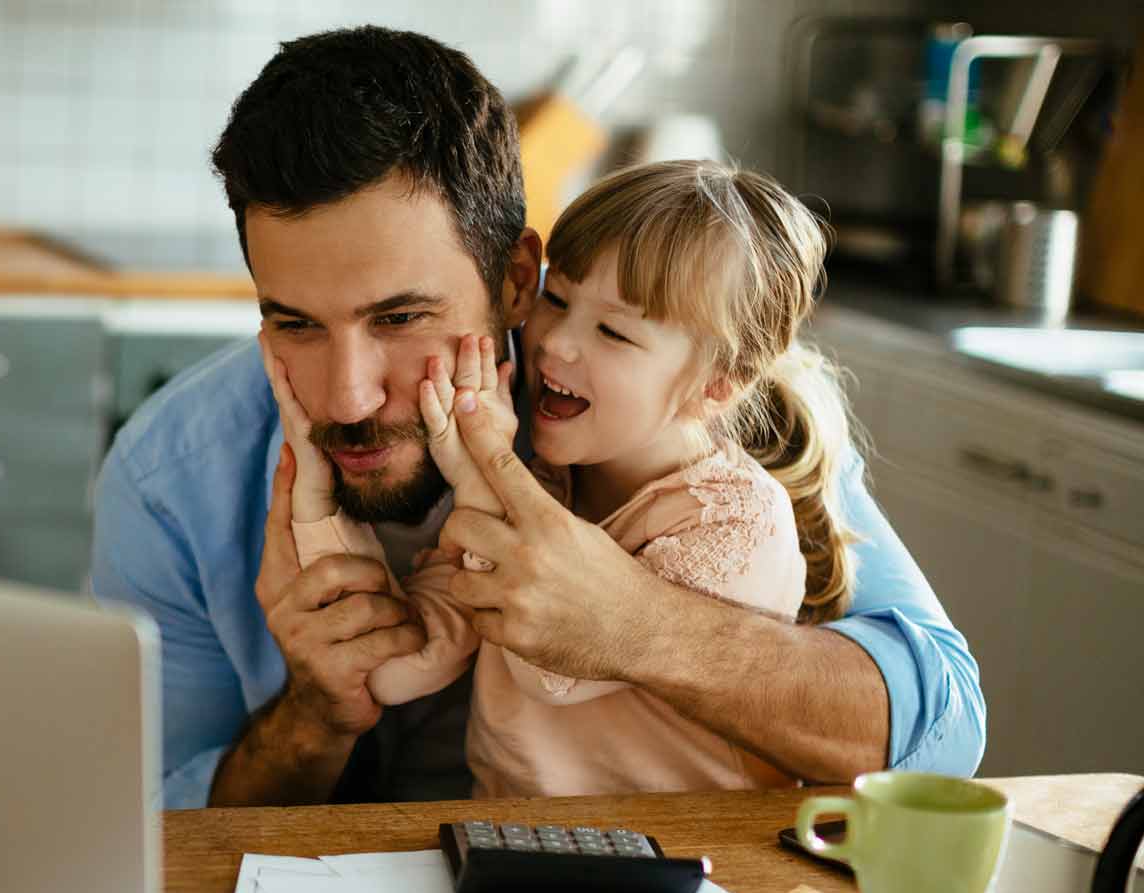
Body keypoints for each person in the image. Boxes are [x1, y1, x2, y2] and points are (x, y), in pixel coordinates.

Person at [89, 26, 985, 809]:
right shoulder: (173, 475)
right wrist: (316, 713)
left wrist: (637, 625)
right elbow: (150, 835)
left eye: (402, 319)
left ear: (520, 281)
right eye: (294, 323)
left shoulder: (687, 418)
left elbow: (941, 728)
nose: (349, 397)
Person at [275, 158, 860, 797]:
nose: (555, 343)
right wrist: (315, 499)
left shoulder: (736, 520)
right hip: (520, 848)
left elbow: (552, 666)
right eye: (558, 299)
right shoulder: (549, 481)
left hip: (691, 864)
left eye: (613, 330)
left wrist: (476, 475)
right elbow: (398, 672)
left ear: (716, 385)